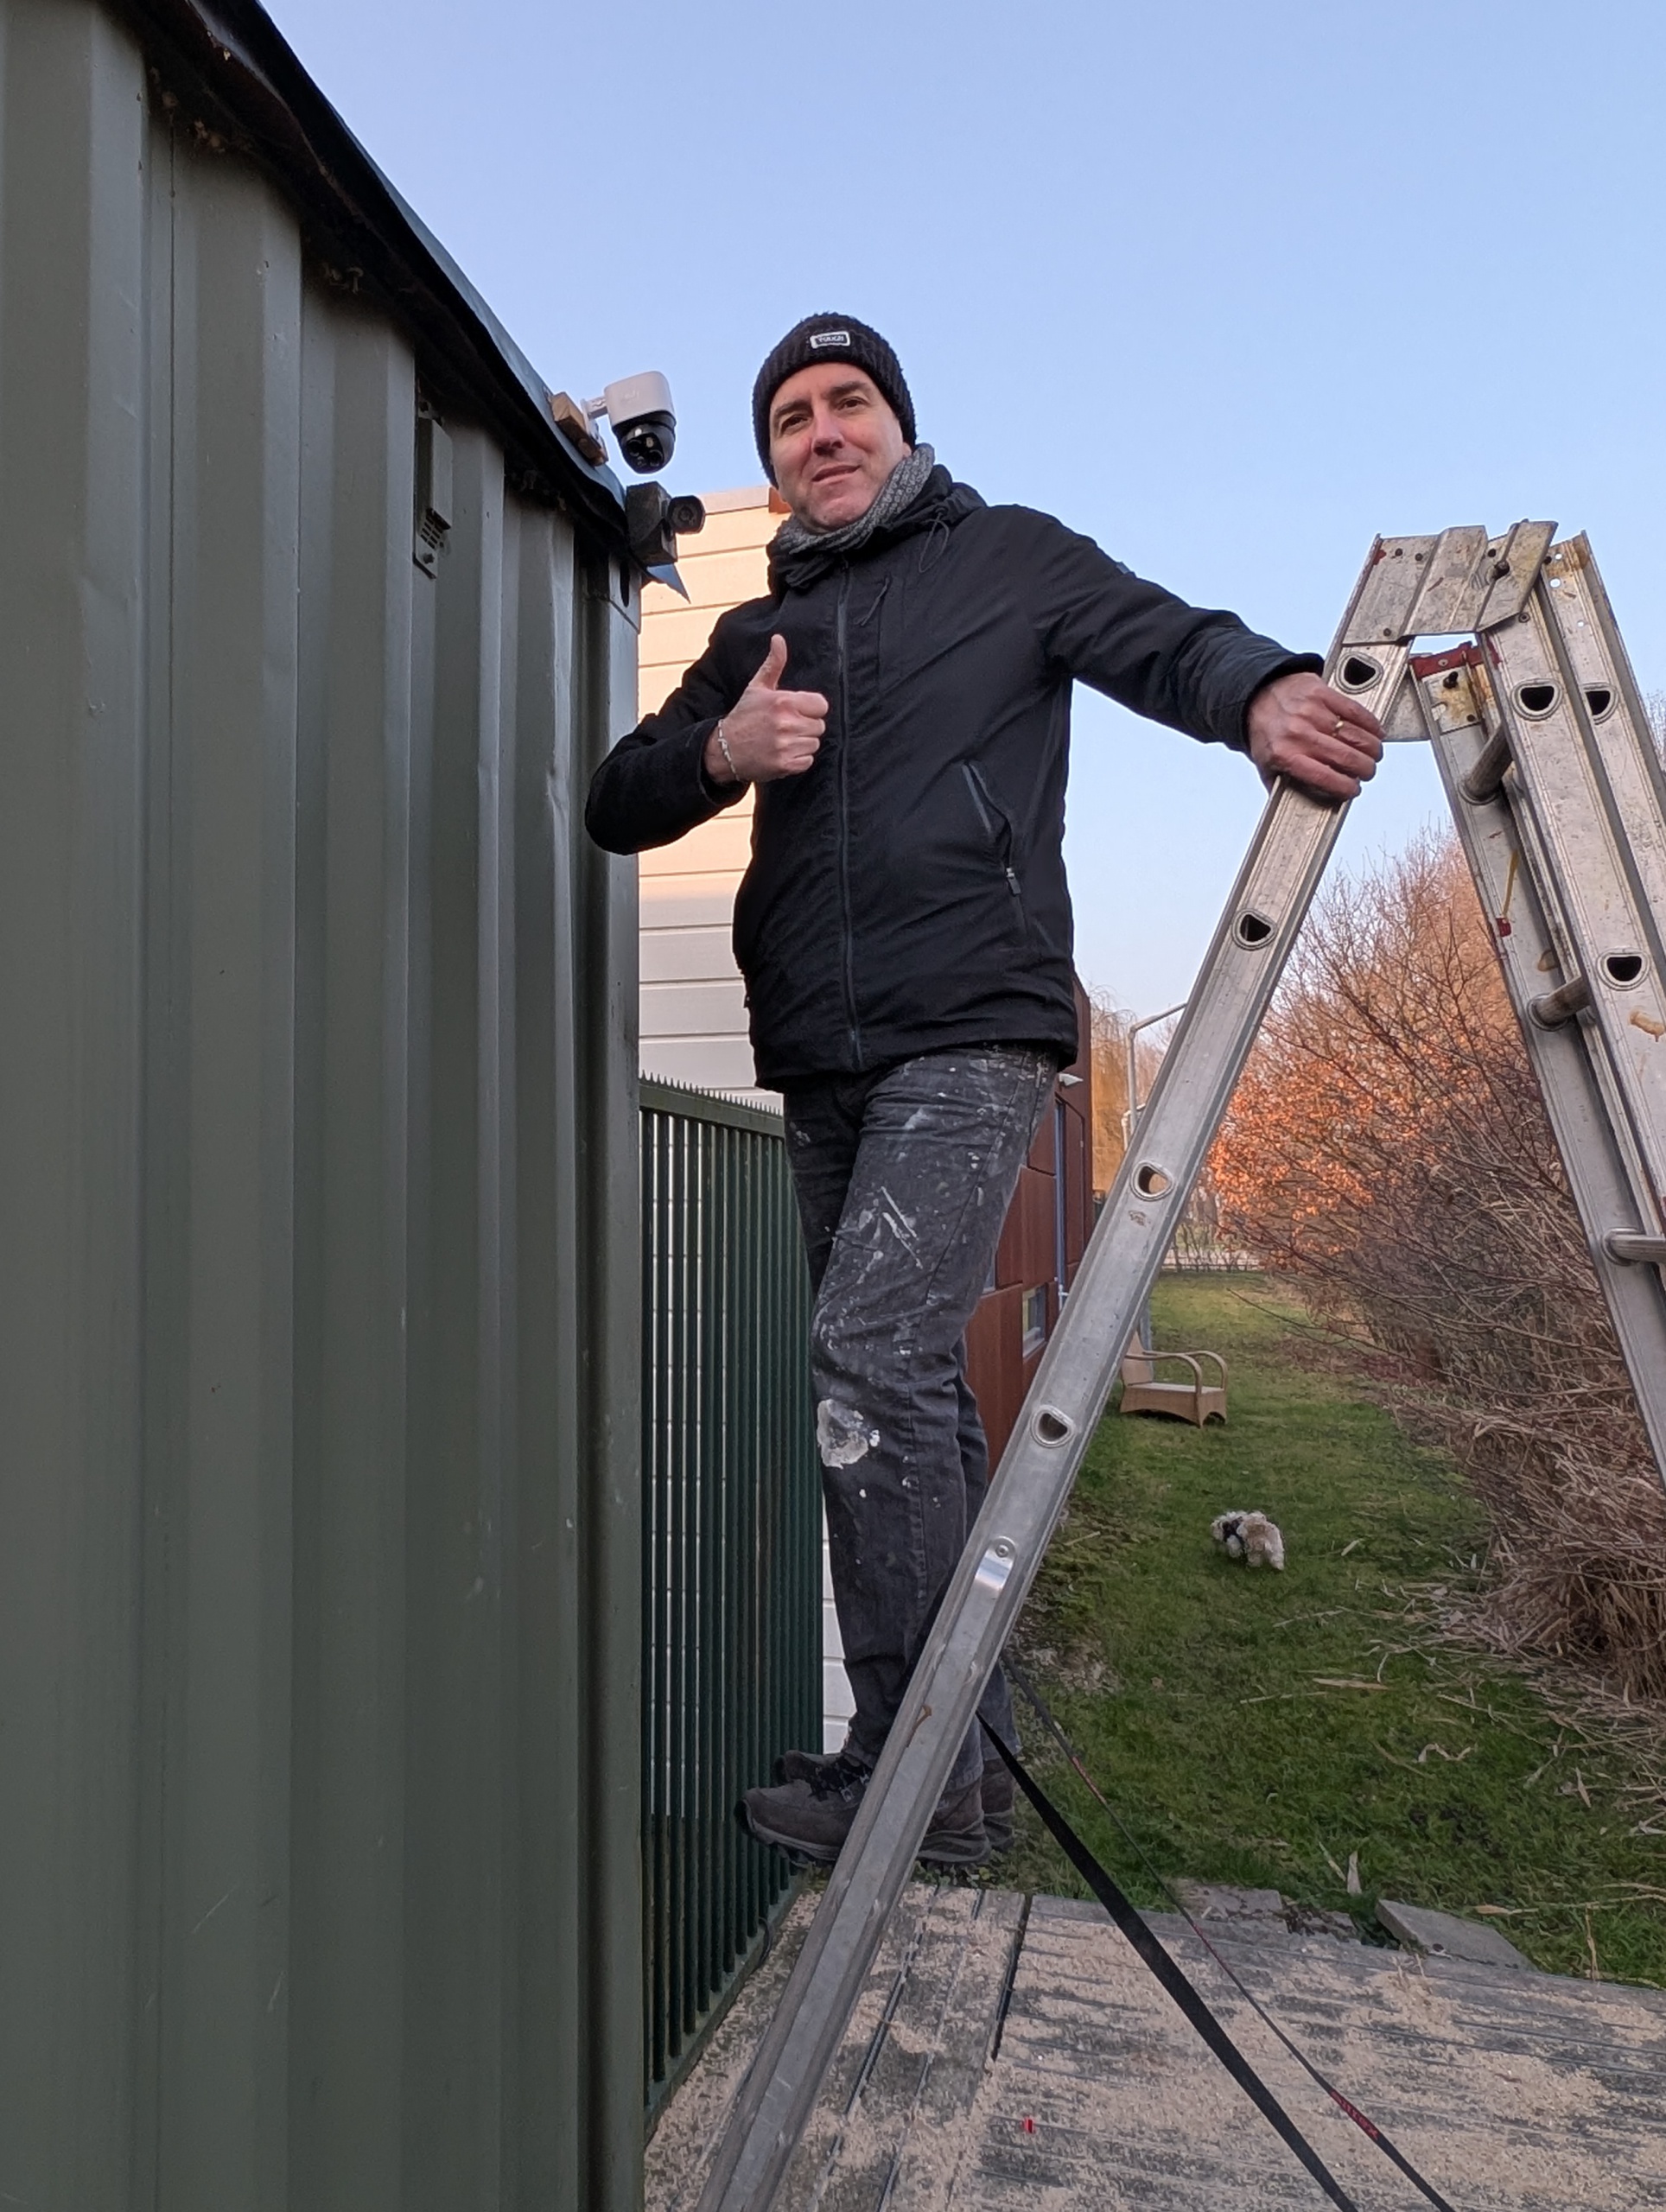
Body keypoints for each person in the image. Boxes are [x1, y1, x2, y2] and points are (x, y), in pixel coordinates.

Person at [586, 314, 1383, 1868]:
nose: (825, 430)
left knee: (867, 1355)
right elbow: (622, 797)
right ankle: (964, 1764)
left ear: (899, 425)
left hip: (969, 1026)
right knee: (919, 1391)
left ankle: (906, 1771)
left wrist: (1264, 691)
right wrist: (723, 751)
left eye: (850, 403)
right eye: (793, 418)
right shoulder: (756, 633)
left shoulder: (1008, 557)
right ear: (773, 462)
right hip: (818, 1048)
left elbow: (1164, 637)